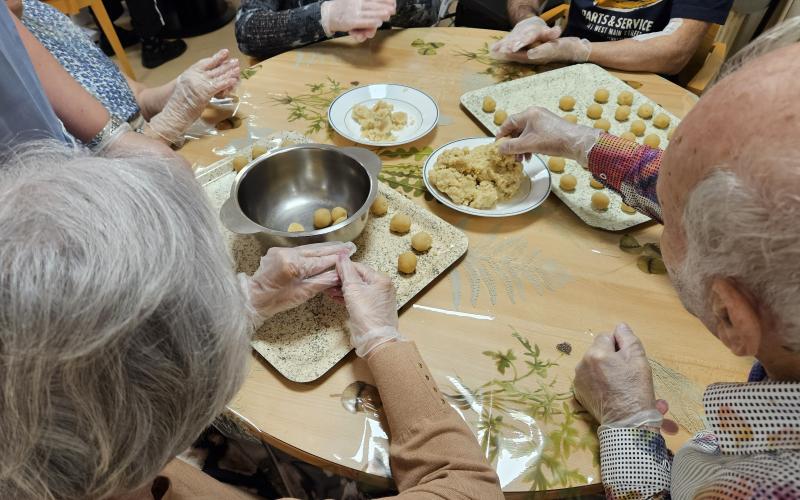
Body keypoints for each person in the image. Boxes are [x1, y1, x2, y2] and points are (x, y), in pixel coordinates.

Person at [0, 139, 504, 499]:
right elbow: (467, 486)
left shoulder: (55, 448)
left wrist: (249, 301)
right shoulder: (124, 442)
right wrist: (381, 339)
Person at [494, 19, 800, 498]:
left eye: (674, 222)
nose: (663, 201)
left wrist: (627, 425)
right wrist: (579, 141)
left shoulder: (764, 486)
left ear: (730, 318)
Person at [14, 0, 239, 148]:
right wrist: (167, 124)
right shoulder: (10, 69)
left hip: (148, 149)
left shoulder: (38, 12)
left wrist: (182, 89)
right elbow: (93, 180)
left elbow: (136, 99)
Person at [491, 0, 733, 75]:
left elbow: (674, 52)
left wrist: (577, 50)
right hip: (558, 67)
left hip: (640, 79)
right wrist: (527, 19)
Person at [235, 0, 441, 60]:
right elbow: (247, 31)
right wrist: (327, 16)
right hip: (296, 72)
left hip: (372, 65)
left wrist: (384, 4)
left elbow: (429, 11)